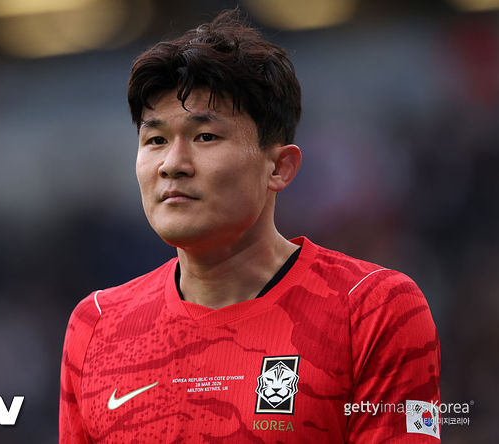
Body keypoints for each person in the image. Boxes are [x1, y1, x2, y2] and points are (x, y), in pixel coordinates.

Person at [59, 9, 440, 443]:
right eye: (156, 140)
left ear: (279, 167)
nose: (172, 164)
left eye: (205, 137)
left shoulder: (373, 309)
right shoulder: (97, 325)